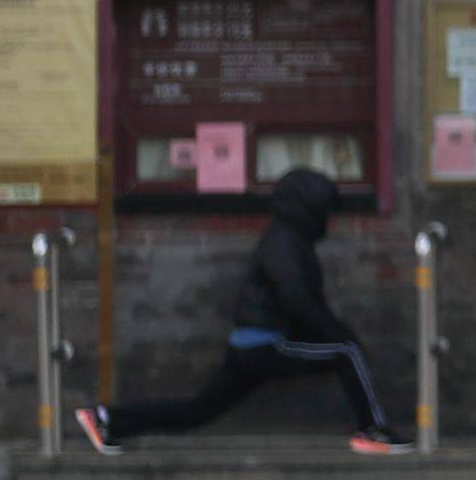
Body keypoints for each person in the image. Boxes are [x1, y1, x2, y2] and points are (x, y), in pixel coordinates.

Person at [79, 168, 402, 457]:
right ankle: (372, 430)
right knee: (347, 350)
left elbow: (297, 300)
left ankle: (109, 420)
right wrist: (334, 331)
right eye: (323, 211)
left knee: (197, 411)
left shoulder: (286, 239)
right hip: (266, 344)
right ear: (307, 208)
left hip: (249, 345)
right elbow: (297, 298)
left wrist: (326, 329)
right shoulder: (285, 244)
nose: (327, 220)